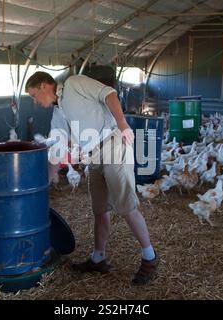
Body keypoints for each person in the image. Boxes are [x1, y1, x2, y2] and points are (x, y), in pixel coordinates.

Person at [25, 71, 159, 286]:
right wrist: (43, 186)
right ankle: (98, 258)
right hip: (94, 156)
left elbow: (109, 94)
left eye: (33, 95)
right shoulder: (58, 113)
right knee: (100, 210)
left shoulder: (74, 83)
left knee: (126, 207)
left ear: (43, 86)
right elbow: (57, 151)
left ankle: (150, 257)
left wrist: (123, 124)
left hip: (113, 145)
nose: (34, 101)